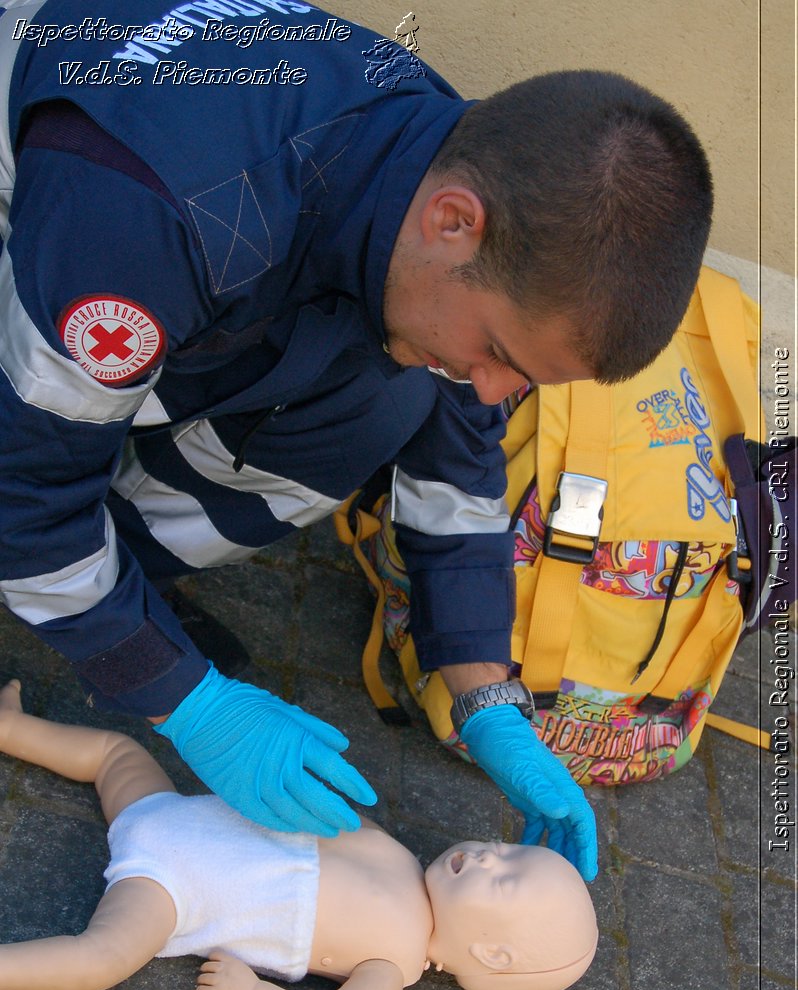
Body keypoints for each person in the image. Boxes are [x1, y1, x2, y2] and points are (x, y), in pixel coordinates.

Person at [0, 0, 714, 881]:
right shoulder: (159, 216)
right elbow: (22, 501)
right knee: (36, 498)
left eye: (524, 380)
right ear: (455, 222)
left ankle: (117, 577)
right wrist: (181, 696)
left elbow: (460, 463)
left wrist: (488, 698)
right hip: (56, 223)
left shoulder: (449, 164)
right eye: (498, 354)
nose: (496, 393)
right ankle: (91, 597)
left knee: (392, 397)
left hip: (156, 249)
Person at [0, 680, 598, 990]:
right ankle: (12, 728)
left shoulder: (392, 964)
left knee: (102, 957)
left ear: (492, 955)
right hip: (165, 813)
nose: (494, 854)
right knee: (115, 752)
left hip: (168, 892)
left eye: (507, 879)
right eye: (513, 849)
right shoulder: (399, 857)